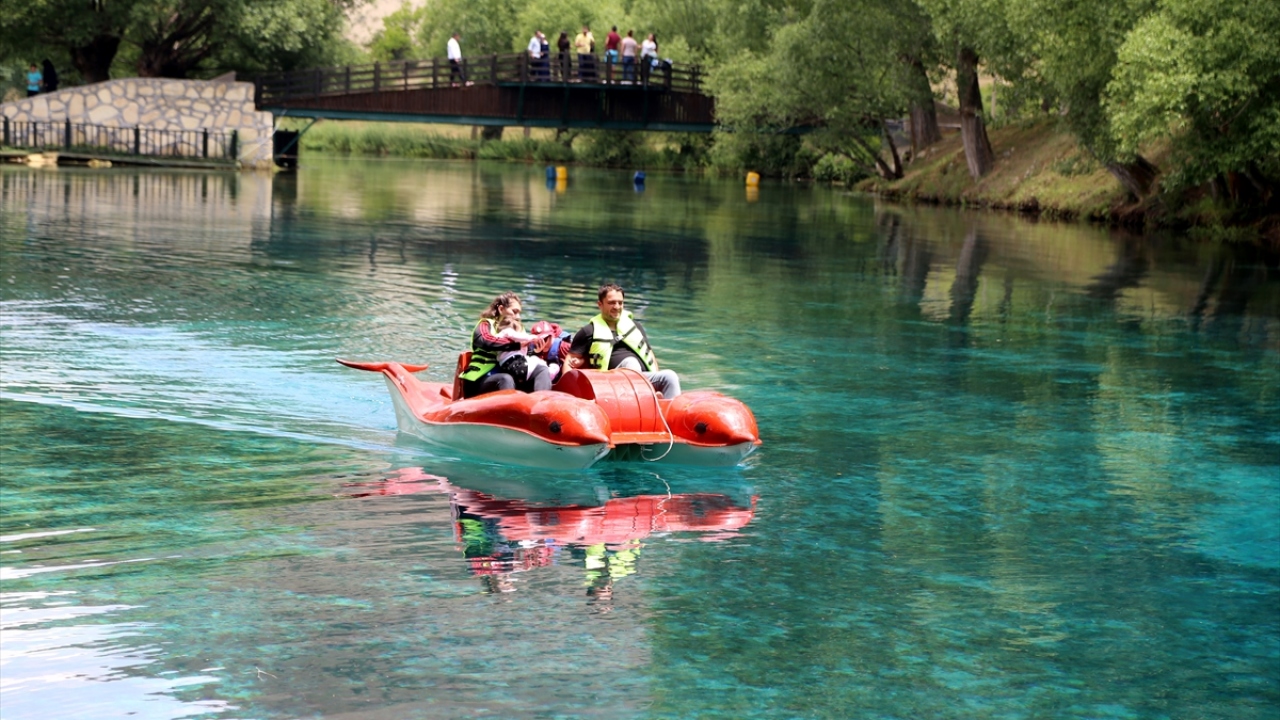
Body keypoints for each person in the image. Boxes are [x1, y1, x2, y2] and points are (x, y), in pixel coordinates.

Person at [564, 284, 681, 398]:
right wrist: (569, 391)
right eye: (611, 303)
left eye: (620, 302)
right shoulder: (588, 331)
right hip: (611, 383)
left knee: (670, 376)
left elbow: (650, 355)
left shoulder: (635, 326)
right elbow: (569, 362)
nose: (617, 307)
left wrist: (656, 375)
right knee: (631, 362)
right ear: (600, 305)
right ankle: (650, 397)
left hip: (643, 379)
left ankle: (669, 410)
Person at [459, 292, 553, 398]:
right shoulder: (485, 324)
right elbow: (484, 341)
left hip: (511, 376)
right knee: (505, 379)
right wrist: (516, 345)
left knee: (542, 370)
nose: (518, 317)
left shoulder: (518, 329)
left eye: (519, 313)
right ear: (501, 309)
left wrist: (535, 350)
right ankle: (509, 412)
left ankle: (541, 405)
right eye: (514, 311)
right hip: (480, 380)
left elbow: (522, 355)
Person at [495, 314, 560, 383]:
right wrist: (532, 338)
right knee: (539, 362)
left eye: (545, 339)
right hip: (518, 366)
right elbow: (514, 335)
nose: (542, 342)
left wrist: (536, 351)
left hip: (507, 368)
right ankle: (550, 372)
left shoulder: (498, 342)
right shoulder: (507, 332)